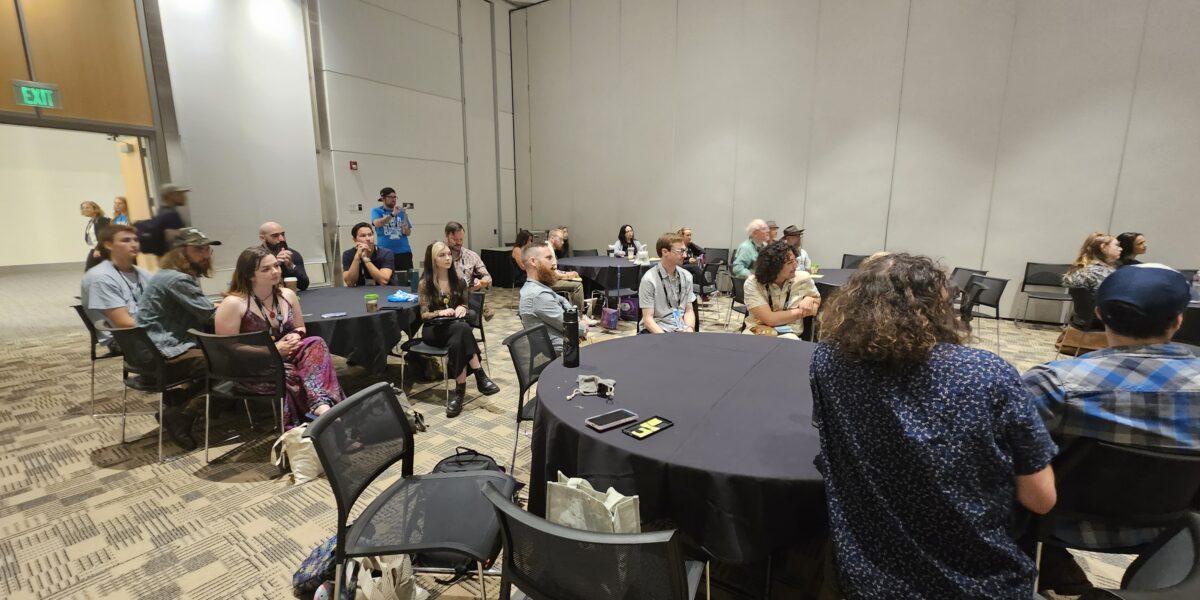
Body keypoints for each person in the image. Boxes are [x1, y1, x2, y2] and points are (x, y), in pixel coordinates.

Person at [809, 253, 1057, 599]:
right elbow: (1041, 499)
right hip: (979, 584)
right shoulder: (987, 374)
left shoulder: (828, 361)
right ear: (940, 307)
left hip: (865, 577)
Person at [1022, 264, 1200, 594]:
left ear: (1100, 314)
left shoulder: (1052, 383)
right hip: (1178, 530)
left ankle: (1052, 569)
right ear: (1178, 320)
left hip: (1056, 523)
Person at [215, 247, 344, 430]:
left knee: (316, 342)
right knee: (296, 374)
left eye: (276, 266)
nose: (275, 271)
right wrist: (273, 350)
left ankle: (321, 407)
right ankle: (316, 422)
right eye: (266, 269)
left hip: (287, 356)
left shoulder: (287, 295)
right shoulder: (234, 303)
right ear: (250, 275)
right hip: (254, 368)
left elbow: (300, 327)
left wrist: (296, 334)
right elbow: (227, 347)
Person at [135, 228, 222, 450]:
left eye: (207, 249)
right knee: (229, 363)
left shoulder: (167, 275)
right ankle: (182, 415)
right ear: (180, 252)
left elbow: (203, 309)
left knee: (219, 357)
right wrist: (238, 305)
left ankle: (178, 401)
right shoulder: (178, 279)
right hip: (162, 354)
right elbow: (210, 316)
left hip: (150, 351)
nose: (206, 255)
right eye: (199, 249)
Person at [418, 241, 500, 417]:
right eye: (442, 255)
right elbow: (424, 315)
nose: (448, 258)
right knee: (462, 330)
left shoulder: (459, 281)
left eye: (449, 254)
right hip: (434, 330)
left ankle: (459, 392)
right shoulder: (425, 283)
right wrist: (440, 312)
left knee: (459, 336)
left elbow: (465, 304)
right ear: (433, 260)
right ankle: (479, 374)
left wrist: (463, 307)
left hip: (455, 329)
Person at [81, 224, 151, 350]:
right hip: (123, 339)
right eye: (126, 240)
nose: (134, 244)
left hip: (146, 330)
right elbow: (125, 323)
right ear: (109, 245)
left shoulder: (142, 273)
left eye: (136, 240)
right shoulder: (101, 277)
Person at [742, 241, 820, 339]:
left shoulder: (803, 279)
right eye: (790, 263)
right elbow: (770, 319)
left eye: (795, 260)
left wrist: (810, 299)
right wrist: (801, 311)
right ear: (774, 267)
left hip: (789, 333)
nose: (795, 266)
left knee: (791, 341)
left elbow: (816, 301)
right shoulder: (753, 283)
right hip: (758, 332)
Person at [519, 243, 587, 353]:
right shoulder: (538, 295)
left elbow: (563, 300)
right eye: (549, 258)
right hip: (562, 356)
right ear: (533, 262)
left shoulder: (535, 288)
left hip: (566, 350)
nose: (554, 263)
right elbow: (575, 329)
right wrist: (583, 325)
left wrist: (575, 318)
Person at [638, 233, 696, 334]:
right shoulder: (649, 279)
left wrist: (689, 330)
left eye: (685, 251)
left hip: (680, 328)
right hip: (656, 330)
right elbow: (648, 320)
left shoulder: (687, 276)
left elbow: (689, 310)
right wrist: (667, 339)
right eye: (681, 251)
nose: (685, 255)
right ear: (665, 252)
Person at [137, 183, 190, 256]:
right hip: (173, 258)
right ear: (171, 195)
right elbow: (173, 243)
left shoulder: (161, 211)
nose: (184, 197)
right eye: (180, 194)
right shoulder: (171, 215)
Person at [370, 187, 414, 271]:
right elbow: (377, 223)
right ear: (383, 198)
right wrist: (392, 214)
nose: (394, 199)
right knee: (386, 278)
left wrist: (405, 228)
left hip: (403, 252)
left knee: (406, 277)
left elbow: (408, 233)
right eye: (390, 197)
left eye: (395, 197)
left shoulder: (401, 212)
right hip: (385, 253)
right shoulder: (377, 211)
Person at [546, 228, 587, 315]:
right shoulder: (548, 251)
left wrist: (567, 274)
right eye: (561, 239)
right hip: (547, 282)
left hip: (546, 279)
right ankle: (579, 316)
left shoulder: (547, 247)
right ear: (552, 238)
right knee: (578, 285)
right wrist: (570, 275)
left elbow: (554, 271)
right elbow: (555, 275)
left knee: (574, 279)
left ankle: (572, 311)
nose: (563, 242)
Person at [259, 221, 309, 291]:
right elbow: (253, 286)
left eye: (283, 234)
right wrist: (276, 264)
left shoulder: (292, 254)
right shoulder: (255, 257)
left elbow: (304, 286)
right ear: (262, 238)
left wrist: (291, 266)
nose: (282, 239)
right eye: (275, 236)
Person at [342, 222, 394, 287]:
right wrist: (357, 257)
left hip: (385, 290)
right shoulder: (348, 254)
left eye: (370, 235)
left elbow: (383, 281)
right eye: (363, 236)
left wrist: (365, 258)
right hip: (360, 291)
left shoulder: (386, 253)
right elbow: (350, 282)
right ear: (354, 239)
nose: (368, 239)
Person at [445, 221, 491, 290]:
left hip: (467, 295)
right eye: (455, 239)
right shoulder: (439, 256)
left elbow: (488, 278)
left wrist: (480, 282)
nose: (459, 242)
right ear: (446, 237)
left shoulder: (471, 256)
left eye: (461, 239)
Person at [80, 201, 111, 271]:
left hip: (101, 250)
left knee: (89, 271)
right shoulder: (92, 221)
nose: (84, 210)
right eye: (83, 208)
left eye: (87, 208)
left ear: (95, 209)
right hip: (94, 249)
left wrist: (98, 249)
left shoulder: (101, 220)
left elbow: (104, 236)